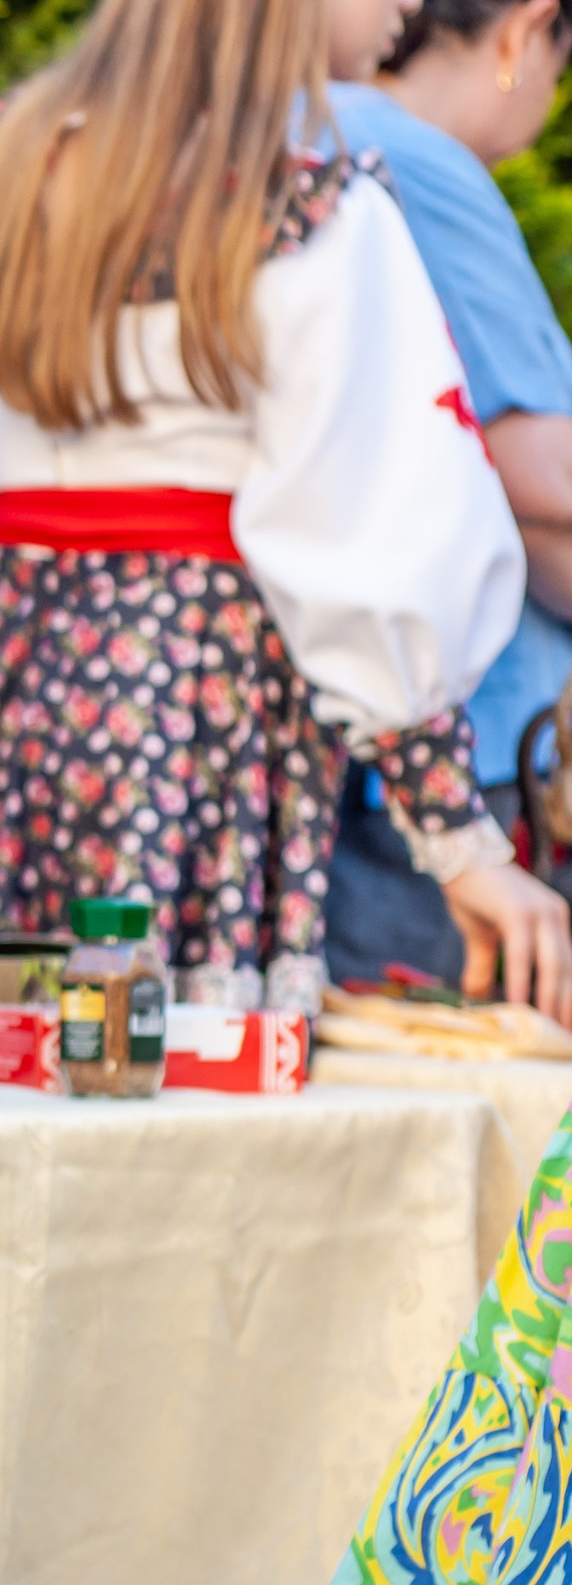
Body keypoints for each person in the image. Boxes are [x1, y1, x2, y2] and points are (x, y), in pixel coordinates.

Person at [0, 0, 572, 1021]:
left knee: (1, 1032)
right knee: (174, 1054)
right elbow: (370, 543)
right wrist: (458, 840)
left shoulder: (11, 163)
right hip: (203, 701)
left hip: (0, 685)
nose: (406, 6)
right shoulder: (317, 203)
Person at [321, 0, 572, 994]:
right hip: (446, 757)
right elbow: (532, 470)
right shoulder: (411, 161)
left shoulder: (316, 136)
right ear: (523, 32)